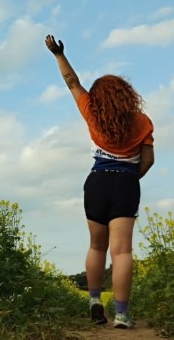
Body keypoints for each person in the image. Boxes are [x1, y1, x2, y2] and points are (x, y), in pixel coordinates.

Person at [45, 34, 154, 329]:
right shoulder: (142, 122)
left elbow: (72, 82)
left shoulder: (92, 114)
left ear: (100, 98)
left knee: (96, 246)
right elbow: (148, 161)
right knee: (122, 251)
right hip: (126, 184)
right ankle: (122, 315)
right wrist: (129, 177)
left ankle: (94, 302)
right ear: (126, 95)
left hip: (97, 182)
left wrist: (58, 55)